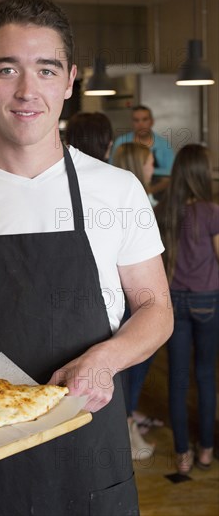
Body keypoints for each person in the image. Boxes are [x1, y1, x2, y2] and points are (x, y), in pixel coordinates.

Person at [0, 0, 173, 516]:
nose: (27, 91)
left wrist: (103, 361)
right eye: (8, 70)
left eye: (45, 70)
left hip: (93, 452)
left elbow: (156, 310)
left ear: (69, 80)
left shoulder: (118, 192)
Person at [155, 144, 219, 475]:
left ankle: (183, 456)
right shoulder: (212, 211)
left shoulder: (165, 209)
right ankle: (206, 451)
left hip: (174, 301)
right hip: (208, 300)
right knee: (206, 375)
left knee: (178, 379)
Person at [113, 142, 163, 458]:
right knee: (134, 363)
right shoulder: (135, 200)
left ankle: (129, 418)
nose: (153, 168)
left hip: (135, 297)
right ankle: (127, 424)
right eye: (149, 162)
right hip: (131, 299)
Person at [110, 105, 174, 192]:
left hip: (157, 192)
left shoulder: (163, 145)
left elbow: (171, 173)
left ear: (152, 122)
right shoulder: (121, 142)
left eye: (144, 119)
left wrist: (147, 191)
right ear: (132, 122)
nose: (140, 124)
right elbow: (112, 169)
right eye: (136, 120)